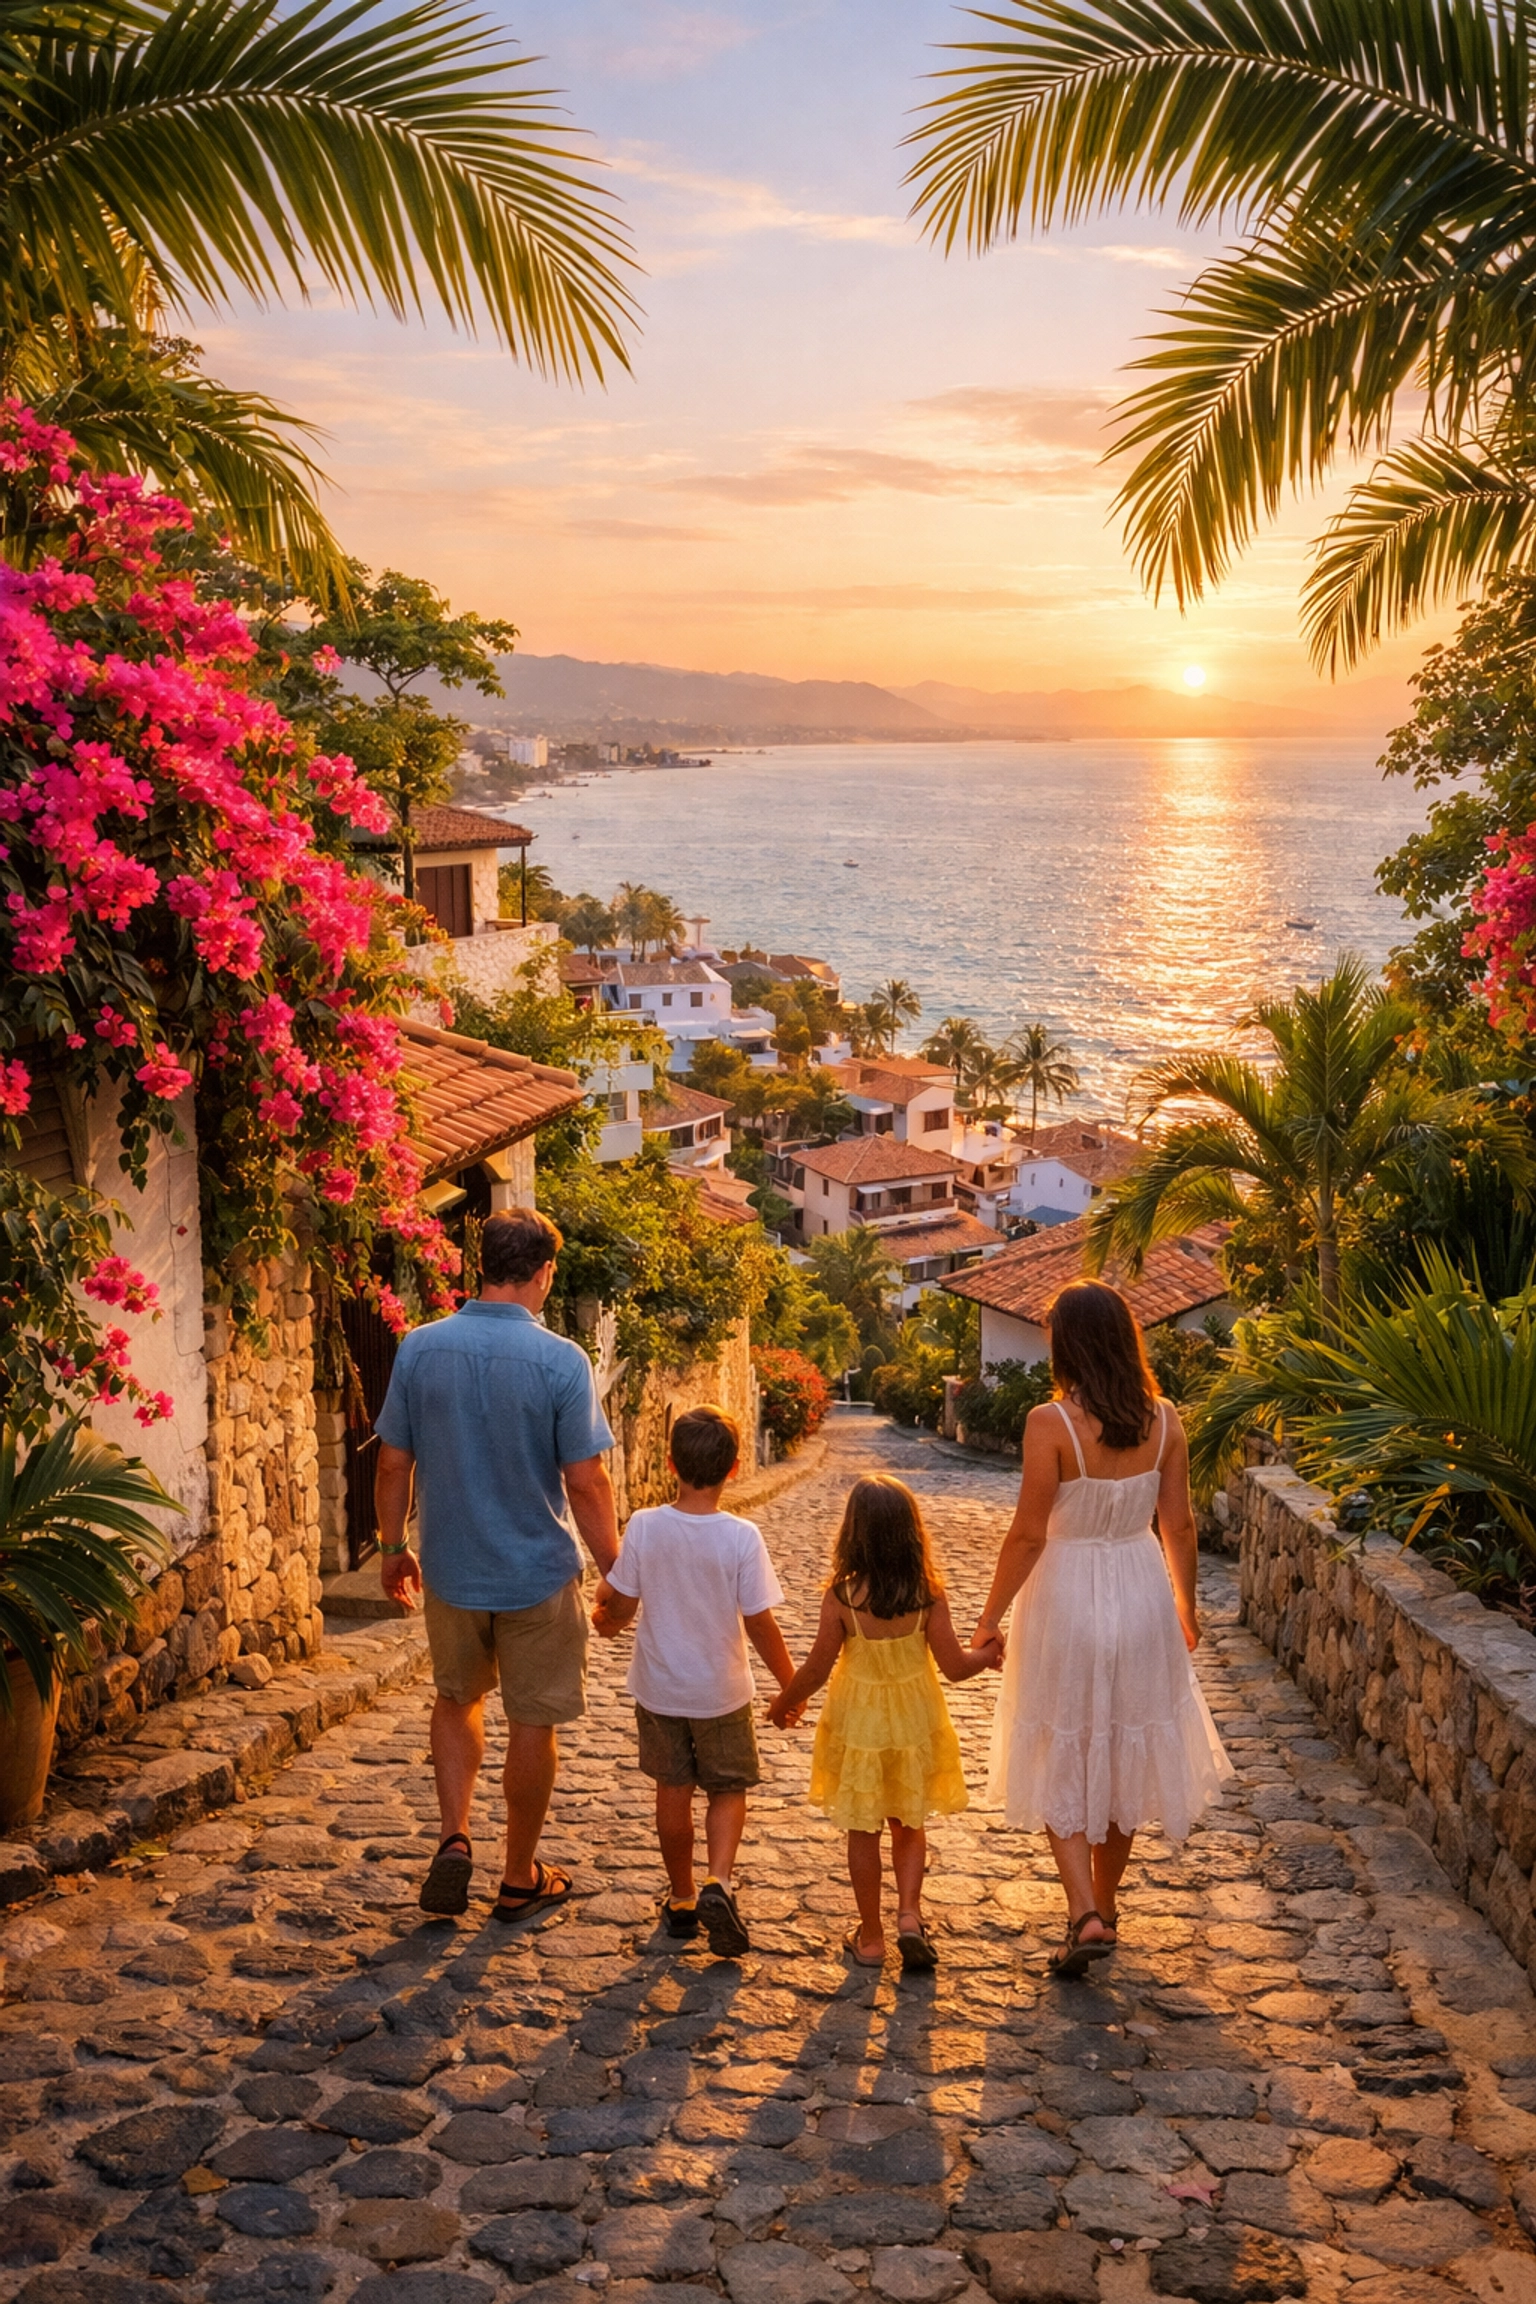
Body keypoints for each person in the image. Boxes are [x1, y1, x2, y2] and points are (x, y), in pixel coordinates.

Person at [976, 1280, 1234, 1977]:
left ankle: (1083, 1911)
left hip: (1066, 1597)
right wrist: (1187, 1607)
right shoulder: (1166, 1420)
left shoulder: (1048, 1424)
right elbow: (1179, 1525)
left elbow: (1029, 1535)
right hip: (1141, 1590)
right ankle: (1106, 1907)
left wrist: (989, 1617)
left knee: (1061, 1746)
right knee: (1120, 1754)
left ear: (1070, 1343)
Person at [373, 1208, 619, 1924]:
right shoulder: (562, 1362)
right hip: (537, 1576)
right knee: (532, 1724)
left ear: (478, 1265)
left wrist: (393, 1548)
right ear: (544, 1272)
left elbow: (393, 1460)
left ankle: (454, 1837)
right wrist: (617, 1571)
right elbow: (585, 1482)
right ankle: (518, 1876)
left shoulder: (420, 1348)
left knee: (456, 1699)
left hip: (451, 1570)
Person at [769, 1474, 1000, 1972]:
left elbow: (815, 1668)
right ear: (911, 1533)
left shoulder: (844, 1597)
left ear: (852, 1534)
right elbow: (956, 1668)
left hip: (860, 1726)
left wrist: (783, 1703)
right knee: (909, 1822)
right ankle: (910, 1916)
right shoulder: (928, 1595)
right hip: (915, 1722)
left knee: (863, 1829)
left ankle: (871, 1938)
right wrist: (988, 1655)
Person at [592, 1405, 794, 1958]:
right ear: (733, 1469)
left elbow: (624, 1601)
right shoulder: (741, 1537)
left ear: (669, 1465)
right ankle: (719, 1882)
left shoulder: (646, 1525)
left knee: (672, 1792)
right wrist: (790, 1684)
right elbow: (759, 1620)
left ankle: (682, 1898)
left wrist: (606, 1619)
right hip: (722, 1692)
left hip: (660, 1689)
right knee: (728, 1789)